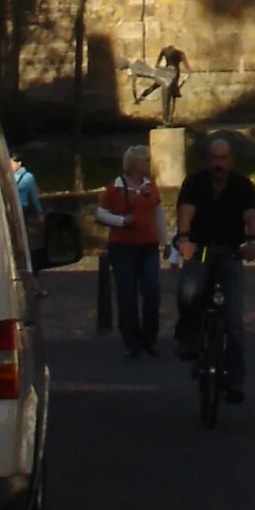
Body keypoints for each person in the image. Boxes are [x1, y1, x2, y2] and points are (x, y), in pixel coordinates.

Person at [175, 135, 255, 400]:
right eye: (214, 158)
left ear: (231, 161)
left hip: (230, 252)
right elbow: (186, 215)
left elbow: (252, 219)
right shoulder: (194, 183)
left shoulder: (243, 186)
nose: (218, 164)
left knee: (234, 318)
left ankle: (235, 380)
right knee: (189, 290)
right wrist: (184, 240)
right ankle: (189, 336)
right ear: (207, 160)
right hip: (200, 250)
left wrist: (253, 243)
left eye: (223, 159)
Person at [93, 143, 168, 357]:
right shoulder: (115, 187)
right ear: (134, 164)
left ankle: (149, 337)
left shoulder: (151, 187)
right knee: (127, 294)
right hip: (123, 246)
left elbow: (158, 214)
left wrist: (166, 242)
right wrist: (121, 220)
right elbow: (100, 214)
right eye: (146, 161)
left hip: (148, 246)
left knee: (152, 290)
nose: (149, 165)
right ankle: (132, 341)